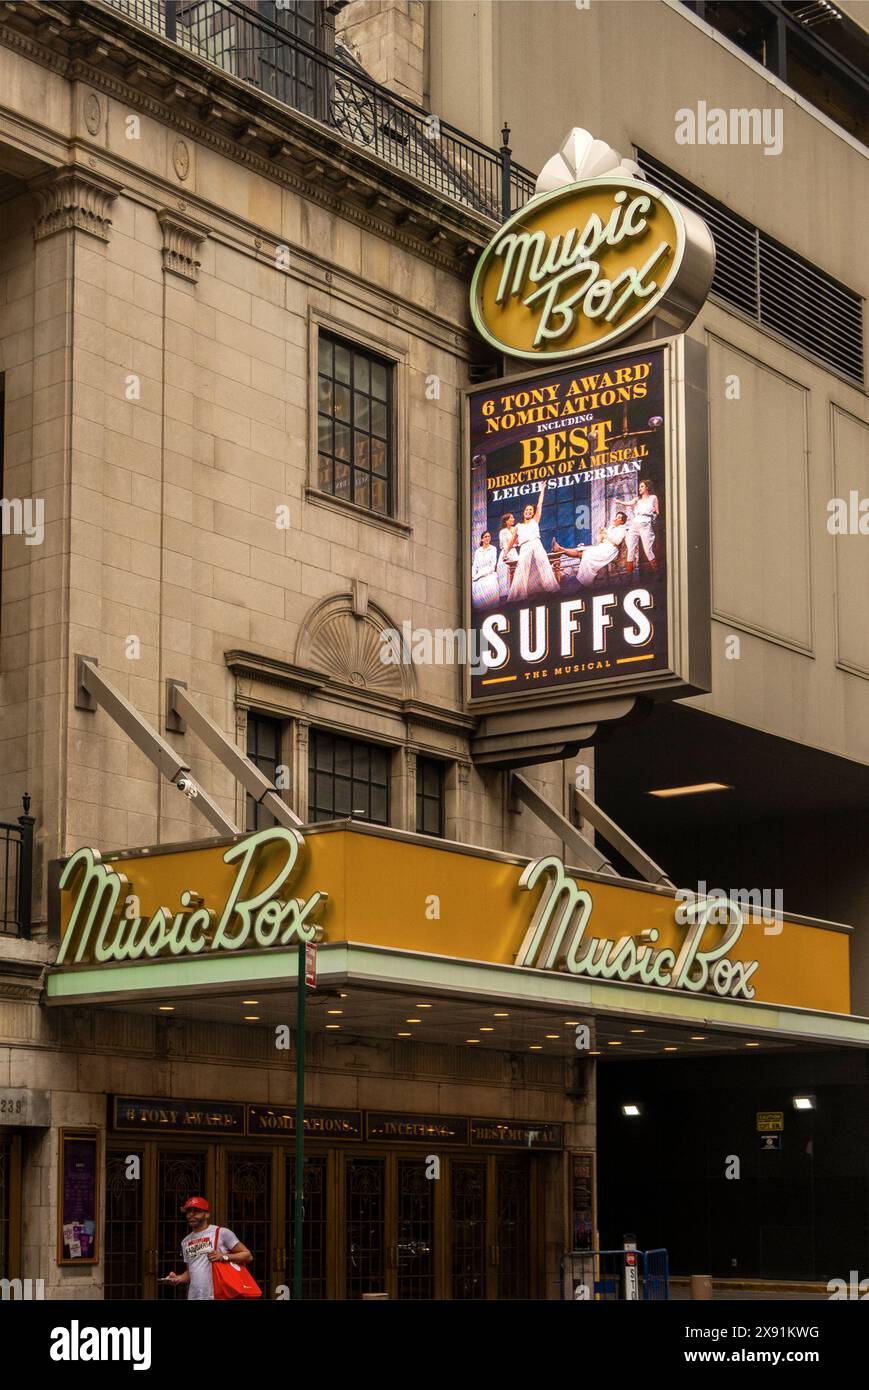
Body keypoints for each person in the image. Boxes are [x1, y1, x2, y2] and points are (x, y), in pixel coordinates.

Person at [163, 1195, 253, 1301]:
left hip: (219, 1295)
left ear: (207, 1214)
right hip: (194, 1296)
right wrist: (178, 1278)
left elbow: (248, 1256)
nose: (191, 1215)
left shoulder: (221, 1232)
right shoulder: (185, 1241)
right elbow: (191, 1271)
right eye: (188, 1212)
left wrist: (224, 1256)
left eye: (196, 1211)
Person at [508, 482, 560, 602]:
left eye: (531, 510)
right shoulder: (518, 526)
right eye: (527, 510)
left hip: (536, 544)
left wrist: (542, 489)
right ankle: (518, 596)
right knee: (522, 569)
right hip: (525, 547)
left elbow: (540, 504)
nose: (529, 511)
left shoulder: (535, 520)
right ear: (523, 512)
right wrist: (506, 552)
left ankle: (552, 589)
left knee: (544, 564)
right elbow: (512, 541)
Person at [552, 511, 630, 587]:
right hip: (603, 547)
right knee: (581, 551)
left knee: (584, 554)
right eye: (616, 517)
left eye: (618, 518)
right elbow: (600, 541)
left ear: (622, 522)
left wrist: (606, 534)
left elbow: (617, 542)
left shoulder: (622, 530)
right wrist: (600, 535)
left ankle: (561, 550)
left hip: (610, 551)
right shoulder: (611, 528)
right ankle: (561, 549)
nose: (615, 519)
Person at [623, 478, 659, 571]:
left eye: (642, 486)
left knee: (648, 550)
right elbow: (629, 503)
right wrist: (619, 502)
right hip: (635, 524)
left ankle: (656, 571)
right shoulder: (637, 499)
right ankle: (629, 576)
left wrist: (655, 512)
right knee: (630, 548)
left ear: (647, 487)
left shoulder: (653, 498)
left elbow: (657, 511)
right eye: (639, 487)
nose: (639, 488)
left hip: (645, 524)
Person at [471, 530, 500, 608]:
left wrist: (481, 574)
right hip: (478, 574)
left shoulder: (493, 549)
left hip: (489, 573)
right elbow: (475, 566)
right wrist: (473, 575)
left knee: (491, 583)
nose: (487, 538)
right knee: (475, 585)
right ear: (482, 539)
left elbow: (493, 565)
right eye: (485, 537)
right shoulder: (478, 551)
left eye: (488, 536)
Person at [496, 512, 520, 600]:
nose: (513, 519)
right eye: (511, 518)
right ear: (506, 521)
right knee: (505, 572)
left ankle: (516, 592)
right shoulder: (503, 532)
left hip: (513, 551)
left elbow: (517, 542)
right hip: (506, 552)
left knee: (517, 569)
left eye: (513, 518)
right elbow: (504, 544)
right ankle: (505, 595)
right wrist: (506, 554)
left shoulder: (515, 529)